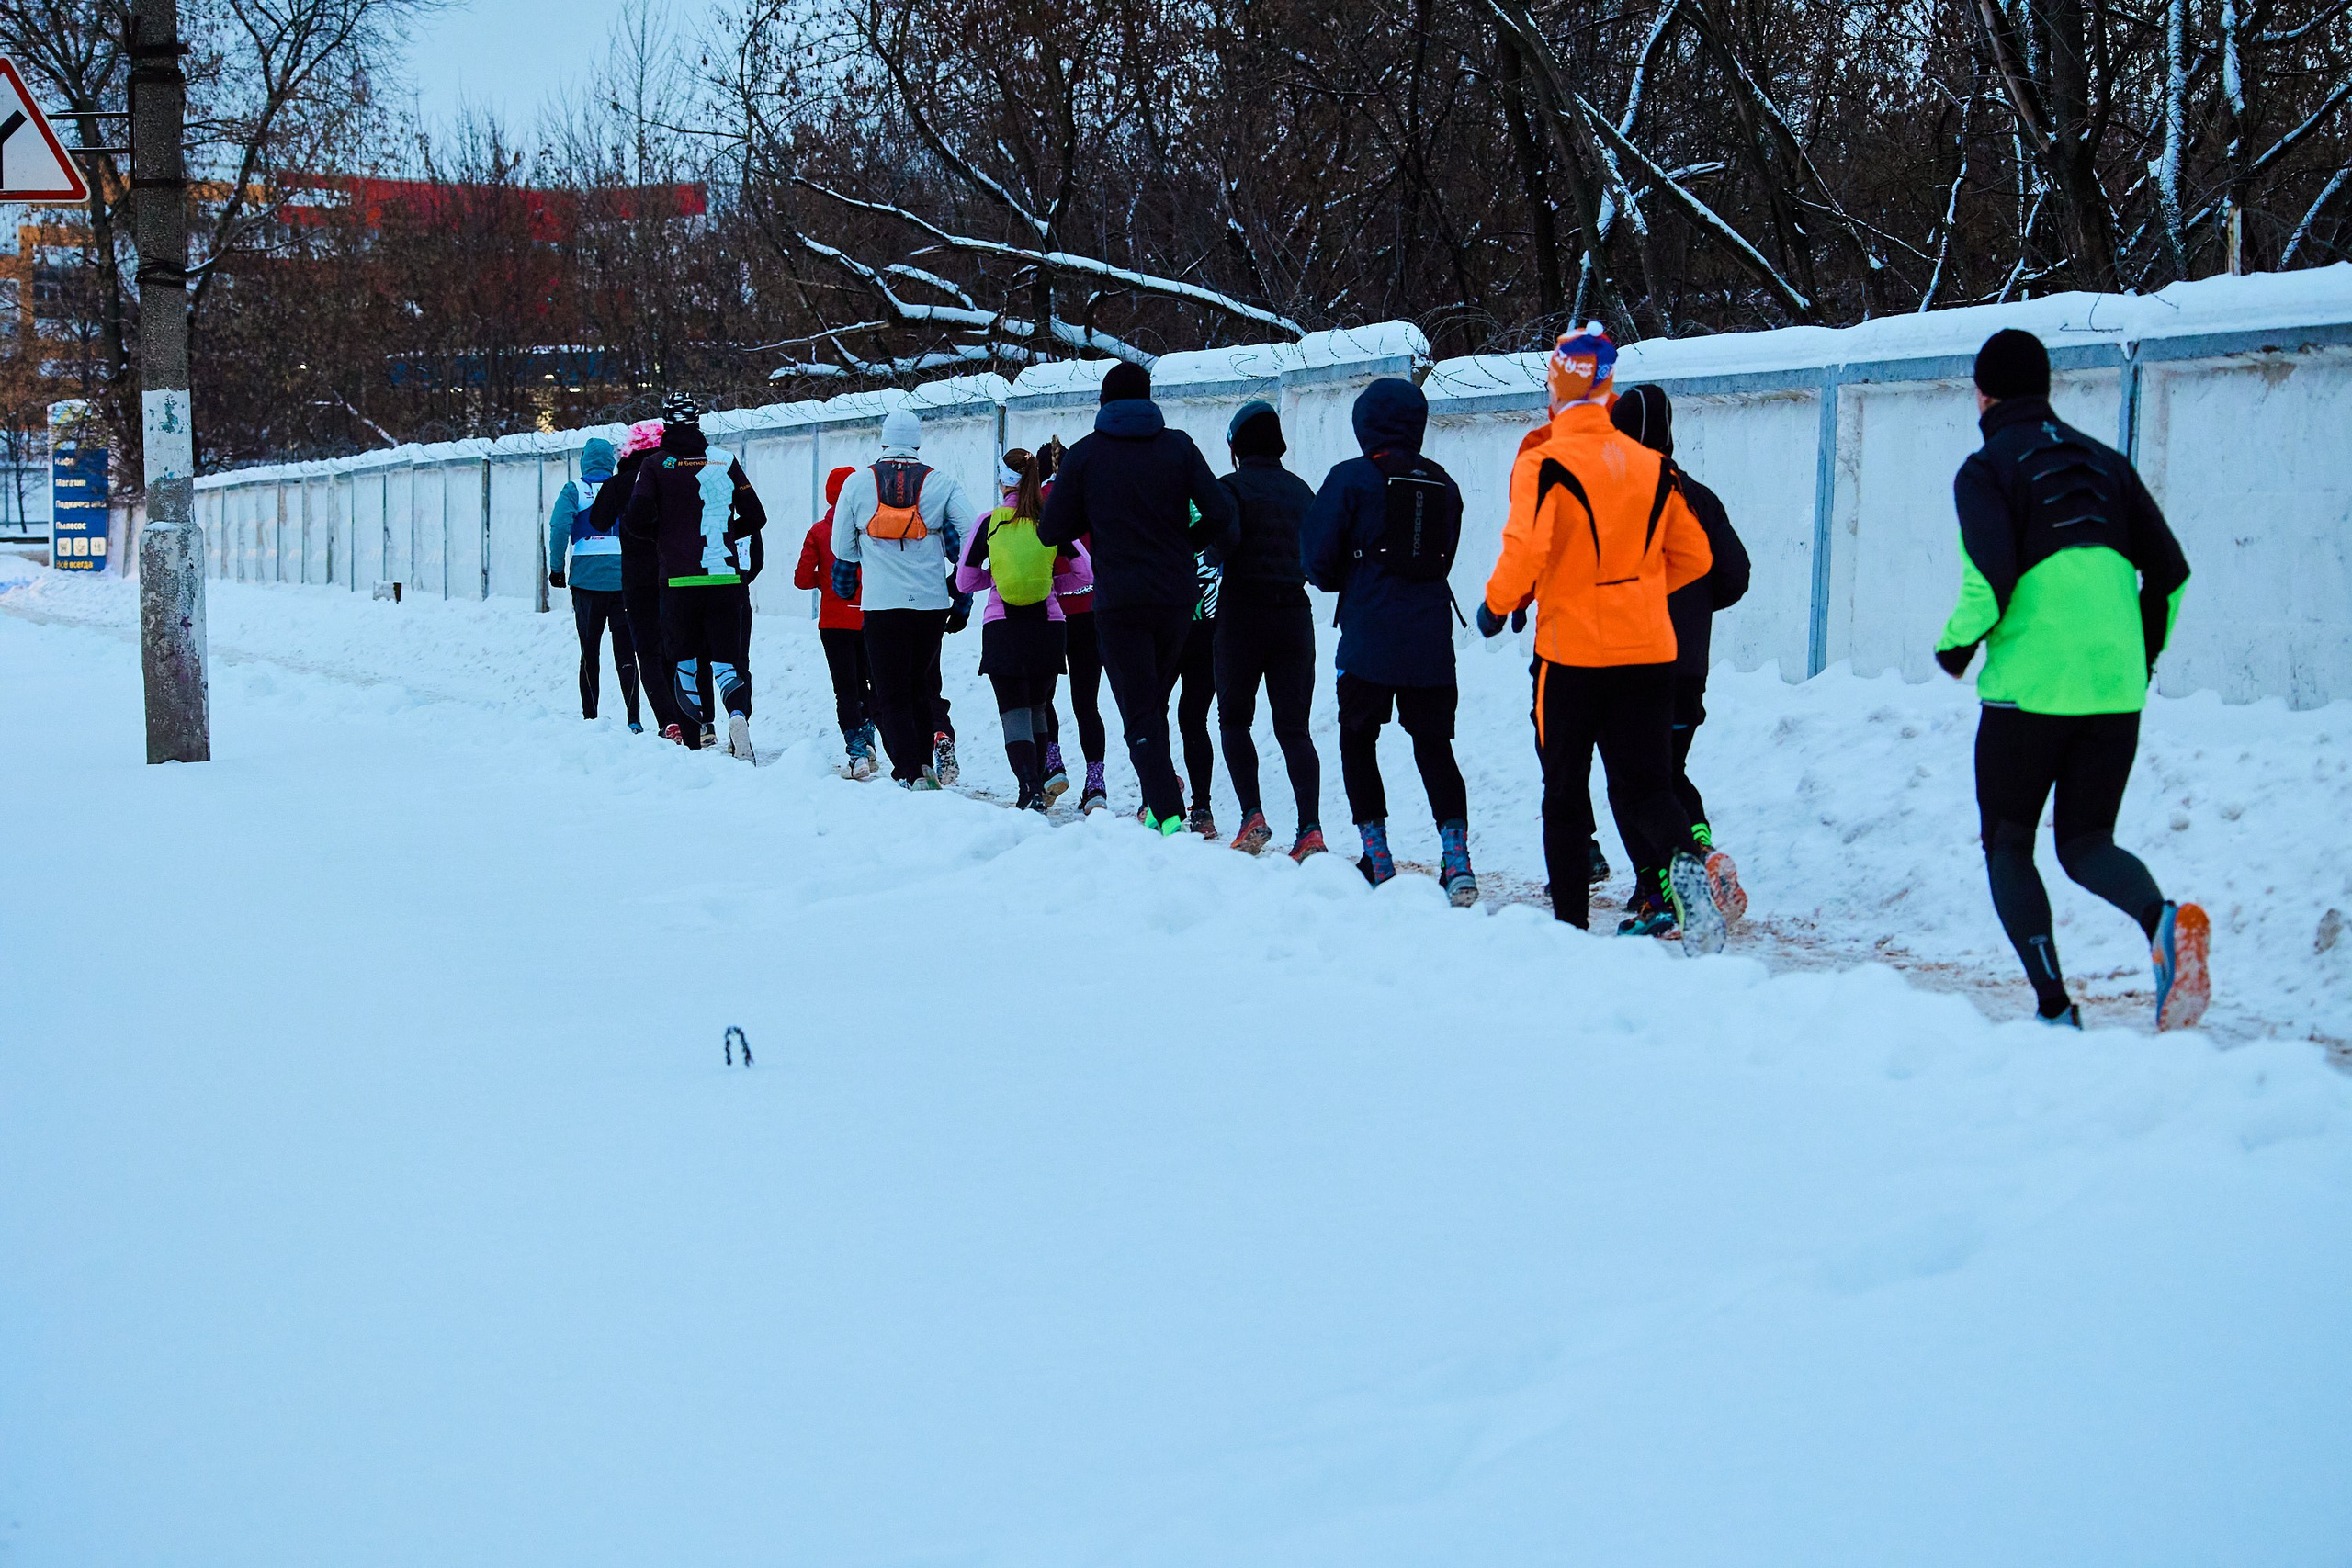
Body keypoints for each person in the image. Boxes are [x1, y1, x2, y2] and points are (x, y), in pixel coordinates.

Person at [1934, 328, 2206, 1031]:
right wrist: (2139, 658)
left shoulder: (1986, 469)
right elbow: (2171, 574)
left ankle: (2054, 1007)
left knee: (2009, 843)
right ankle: (2163, 921)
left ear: (1983, 395)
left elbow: (1990, 579)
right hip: (2115, 688)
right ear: (2045, 387)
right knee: (2087, 842)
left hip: (2030, 690)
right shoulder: (2107, 461)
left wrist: (1954, 648)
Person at [1478, 325, 1728, 953]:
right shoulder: (1651, 466)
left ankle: (1570, 931)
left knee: (1564, 794)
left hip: (1571, 657)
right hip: (1648, 655)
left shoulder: (1545, 462)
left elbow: (1525, 549)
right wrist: (1637, 592)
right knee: (1646, 786)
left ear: (1557, 389)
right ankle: (1686, 865)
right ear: (1608, 388)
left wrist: (1496, 605)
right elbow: (1695, 557)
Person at [1036, 362, 1237, 833]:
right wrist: (1184, 543)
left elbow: (1050, 530)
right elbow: (1220, 511)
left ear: (1104, 402)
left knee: (1139, 708)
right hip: (1176, 598)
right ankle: (1163, 808)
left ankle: (1167, 814)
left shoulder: (1085, 455)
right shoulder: (1179, 446)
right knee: (1152, 704)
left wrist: (1095, 521)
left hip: (1120, 600)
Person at [1304, 377, 1477, 905]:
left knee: (1358, 739)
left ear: (1365, 424)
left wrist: (1352, 575)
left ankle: (1376, 853)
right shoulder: (1445, 484)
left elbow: (1317, 560)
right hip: (1430, 640)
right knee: (1434, 746)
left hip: (1368, 636)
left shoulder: (1349, 479)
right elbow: (1445, 555)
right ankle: (1457, 858)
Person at [1604, 384, 1752, 937]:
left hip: (1630, 665)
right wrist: (1691, 607)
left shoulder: (1617, 495)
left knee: (1630, 782)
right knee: (1668, 772)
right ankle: (1704, 854)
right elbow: (1735, 574)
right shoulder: (1700, 498)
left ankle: (1659, 893)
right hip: (1688, 666)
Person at [831, 408, 977, 789]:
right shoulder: (941, 482)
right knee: (920, 688)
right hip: (931, 604)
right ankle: (925, 766)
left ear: (883, 441)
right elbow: (972, 532)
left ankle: (910, 773)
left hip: (882, 603)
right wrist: (959, 585)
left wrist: (862, 562)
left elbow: (841, 547)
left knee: (891, 693)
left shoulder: (858, 483)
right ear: (917, 442)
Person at [620, 393, 767, 759]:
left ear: (666, 423)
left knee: (684, 662)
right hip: (724, 578)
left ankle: (693, 741)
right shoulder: (724, 460)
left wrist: (663, 537)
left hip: (679, 579)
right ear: (698, 421)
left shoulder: (655, 465)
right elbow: (756, 516)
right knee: (727, 662)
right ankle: (737, 715)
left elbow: (635, 519)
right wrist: (728, 533)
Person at [1212, 400, 1324, 861]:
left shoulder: (1230, 489)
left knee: (1235, 719)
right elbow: (1318, 560)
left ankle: (1252, 815)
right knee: (1295, 728)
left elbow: (1222, 547)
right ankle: (1311, 829)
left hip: (1241, 613)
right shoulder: (1302, 492)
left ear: (1238, 446)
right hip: (1294, 615)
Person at [956, 448, 1094, 811]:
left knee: (1013, 711)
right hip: (1049, 627)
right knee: (1037, 707)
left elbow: (964, 581)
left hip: (1003, 627)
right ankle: (1037, 788)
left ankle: (1029, 788)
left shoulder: (989, 522)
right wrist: (1052, 585)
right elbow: (1085, 573)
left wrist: (996, 579)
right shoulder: (1050, 521)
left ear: (1004, 481)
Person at [1035, 436, 1110, 812]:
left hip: (1050, 611)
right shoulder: (1093, 500)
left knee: (1042, 696)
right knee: (1086, 703)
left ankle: (1053, 764)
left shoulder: (1037, 503)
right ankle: (1096, 784)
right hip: (1091, 610)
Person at [546, 435, 641, 729]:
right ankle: (634, 719)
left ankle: (591, 717)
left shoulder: (574, 489)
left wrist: (557, 568)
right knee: (626, 651)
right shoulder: (626, 486)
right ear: (611, 461)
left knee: (590, 651)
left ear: (585, 462)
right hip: (623, 580)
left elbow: (559, 527)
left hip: (586, 582)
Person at [606, 419, 691, 741]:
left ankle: (667, 719)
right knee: (673, 644)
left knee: (646, 650)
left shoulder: (621, 483)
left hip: (635, 578)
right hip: (672, 572)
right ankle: (686, 716)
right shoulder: (676, 475)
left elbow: (599, 519)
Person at [796, 464, 878, 777]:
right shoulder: (873, 528)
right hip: (870, 617)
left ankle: (856, 752)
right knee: (869, 682)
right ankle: (868, 736)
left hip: (834, 622)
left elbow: (802, 579)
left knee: (844, 688)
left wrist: (826, 581)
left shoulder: (818, 531)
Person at [1175, 537, 1221, 836]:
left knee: (1151, 713)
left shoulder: (1161, 508)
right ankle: (1201, 810)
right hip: (1206, 625)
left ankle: (1163, 797)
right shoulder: (1219, 511)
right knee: (1192, 719)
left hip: (1174, 621)